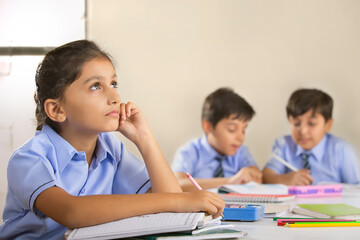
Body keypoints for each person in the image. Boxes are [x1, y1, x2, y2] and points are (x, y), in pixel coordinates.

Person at [0, 40, 224, 240]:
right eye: (96, 86)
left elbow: (171, 202)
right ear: (57, 109)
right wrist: (180, 201)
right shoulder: (29, 159)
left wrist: (145, 139)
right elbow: (71, 212)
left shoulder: (110, 148)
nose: (115, 97)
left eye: (114, 84)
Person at [172, 87, 262, 192]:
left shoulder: (241, 151)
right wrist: (229, 181)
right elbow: (177, 183)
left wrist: (253, 174)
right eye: (232, 129)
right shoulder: (189, 152)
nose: (241, 137)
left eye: (244, 130)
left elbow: (256, 176)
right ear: (208, 126)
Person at [263, 88, 360, 185]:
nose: (303, 131)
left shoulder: (342, 150)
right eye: (296, 123)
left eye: (312, 123)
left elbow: (357, 188)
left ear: (328, 124)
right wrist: (287, 179)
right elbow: (266, 176)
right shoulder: (284, 145)